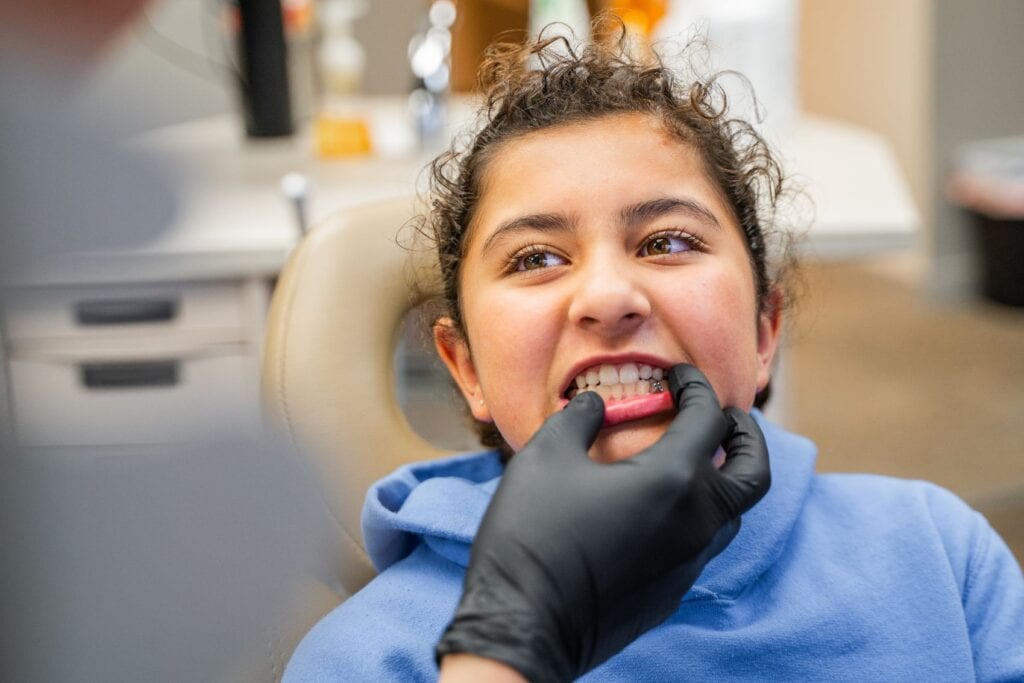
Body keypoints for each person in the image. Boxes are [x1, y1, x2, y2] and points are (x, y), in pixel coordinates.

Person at [283, 25, 1024, 682]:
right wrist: (509, 648)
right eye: (537, 257)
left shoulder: (939, 552)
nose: (608, 295)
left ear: (765, 332)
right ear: (467, 368)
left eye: (668, 241)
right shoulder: (367, 659)